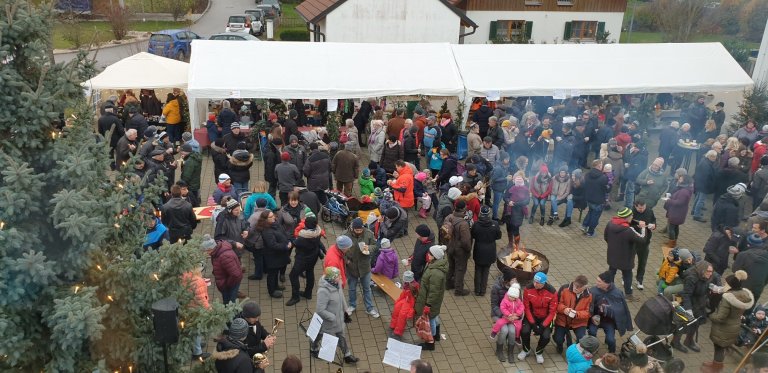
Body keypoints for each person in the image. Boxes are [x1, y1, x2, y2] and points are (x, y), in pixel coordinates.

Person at [704, 270, 754, 373]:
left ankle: (716, 368)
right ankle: (716, 363)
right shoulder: (743, 294)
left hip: (724, 328)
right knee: (723, 346)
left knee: (718, 347)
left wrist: (710, 315)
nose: (725, 284)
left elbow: (720, 317)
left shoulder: (728, 298)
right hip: (734, 325)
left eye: (726, 283)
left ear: (731, 285)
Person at [311, 267, 360, 364]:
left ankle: (347, 355)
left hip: (339, 319)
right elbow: (320, 310)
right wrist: (332, 317)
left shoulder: (337, 284)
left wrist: (346, 311)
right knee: (319, 334)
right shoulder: (323, 291)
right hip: (327, 322)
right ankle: (313, 348)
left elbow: (341, 297)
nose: (341, 277)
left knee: (341, 335)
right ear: (332, 278)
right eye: (338, 276)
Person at [672, 260, 719, 354]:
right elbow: (686, 294)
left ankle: (689, 341)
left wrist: (714, 287)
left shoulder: (708, 275)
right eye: (708, 271)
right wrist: (688, 310)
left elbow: (714, 278)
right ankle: (675, 342)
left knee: (696, 323)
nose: (710, 274)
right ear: (702, 271)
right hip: (689, 303)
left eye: (711, 271)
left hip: (700, 304)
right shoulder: (691, 278)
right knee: (682, 324)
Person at [518, 272, 557, 364]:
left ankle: (539, 352)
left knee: (546, 336)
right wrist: (532, 323)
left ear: (543, 283)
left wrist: (542, 326)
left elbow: (552, 312)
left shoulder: (552, 292)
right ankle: (526, 350)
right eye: (534, 281)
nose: (535, 284)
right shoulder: (528, 289)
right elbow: (526, 307)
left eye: (537, 283)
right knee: (524, 331)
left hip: (546, 317)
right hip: (531, 315)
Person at [589, 272, 633, 353]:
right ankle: (592, 348)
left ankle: (612, 353)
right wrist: (592, 316)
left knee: (611, 340)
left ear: (606, 283)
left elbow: (623, 309)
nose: (596, 283)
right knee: (591, 332)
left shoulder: (617, 293)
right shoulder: (593, 291)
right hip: (595, 318)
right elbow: (588, 306)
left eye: (599, 281)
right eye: (597, 280)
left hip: (608, 321)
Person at [415, 245, 448, 351]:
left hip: (430, 302)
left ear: (434, 257)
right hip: (434, 301)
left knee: (431, 320)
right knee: (435, 316)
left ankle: (430, 342)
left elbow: (433, 292)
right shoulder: (434, 265)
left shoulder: (436, 273)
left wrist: (428, 305)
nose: (427, 255)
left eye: (429, 254)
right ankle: (437, 335)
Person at [286, 216, 322, 306]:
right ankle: (308, 293)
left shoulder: (302, 238)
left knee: (293, 276)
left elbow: (293, 244)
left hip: (302, 260)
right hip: (313, 257)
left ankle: (295, 297)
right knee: (310, 272)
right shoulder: (318, 231)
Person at [256, 210, 292, 298]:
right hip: (272, 256)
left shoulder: (275, 224)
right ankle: (271, 291)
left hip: (278, 255)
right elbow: (272, 245)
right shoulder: (267, 231)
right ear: (265, 220)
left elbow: (283, 233)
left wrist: (288, 240)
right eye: (271, 217)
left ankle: (276, 286)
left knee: (276, 272)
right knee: (272, 274)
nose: (274, 218)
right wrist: (285, 246)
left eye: (273, 216)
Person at [554, 275, 593, 354]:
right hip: (563, 320)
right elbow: (557, 304)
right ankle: (559, 344)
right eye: (575, 285)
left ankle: (576, 351)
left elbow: (589, 312)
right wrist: (564, 309)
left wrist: (577, 314)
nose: (575, 288)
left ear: (585, 287)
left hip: (579, 322)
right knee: (558, 338)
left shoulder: (590, 295)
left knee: (581, 339)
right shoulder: (564, 288)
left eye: (579, 287)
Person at [471, 206, 501, 296]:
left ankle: (477, 290)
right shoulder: (495, 224)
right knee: (486, 270)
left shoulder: (476, 224)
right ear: (489, 213)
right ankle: (483, 291)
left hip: (479, 249)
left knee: (478, 269)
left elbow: (473, 235)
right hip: (490, 250)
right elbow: (498, 236)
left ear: (480, 213)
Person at [445, 201, 472, 296]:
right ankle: (458, 290)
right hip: (459, 250)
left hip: (450, 246)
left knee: (451, 266)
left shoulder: (449, 217)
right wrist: (468, 249)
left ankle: (448, 284)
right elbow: (465, 240)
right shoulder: (463, 223)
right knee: (460, 269)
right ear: (463, 209)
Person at [490, 269, 518, 362]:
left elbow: (520, 304)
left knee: (512, 331)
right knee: (505, 330)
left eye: (515, 279)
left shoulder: (516, 288)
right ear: (507, 280)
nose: (515, 282)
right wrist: (504, 314)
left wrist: (517, 315)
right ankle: (499, 350)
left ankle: (510, 352)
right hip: (499, 314)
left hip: (512, 316)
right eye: (513, 280)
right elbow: (494, 305)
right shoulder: (496, 287)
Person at [733, 238, 768, 307]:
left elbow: (735, 270)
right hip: (757, 288)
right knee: (748, 307)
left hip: (740, 285)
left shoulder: (743, 255)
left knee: (734, 304)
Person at [207, 237, 243, 304]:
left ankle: (233, 313)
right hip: (226, 282)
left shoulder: (225, 256)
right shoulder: (216, 252)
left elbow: (235, 274)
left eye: (205, 251)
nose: (205, 253)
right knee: (227, 300)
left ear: (210, 249)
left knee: (230, 302)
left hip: (230, 283)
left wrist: (226, 284)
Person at [582, 159, 609, 237]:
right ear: (599, 166)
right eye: (601, 165)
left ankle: (584, 226)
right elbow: (607, 189)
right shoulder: (603, 177)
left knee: (590, 212)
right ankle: (590, 232)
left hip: (589, 199)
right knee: (595, 216)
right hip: (598, 200)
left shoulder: (587, 174)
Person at [664, 174, 693, 243]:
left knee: (671, 228)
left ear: (684, 181)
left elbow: (679, 202)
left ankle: (671, 243)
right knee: (675, 227)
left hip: (677, 213)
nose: (679, 180)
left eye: (681, 179)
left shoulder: (684, 191)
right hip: (679, 212)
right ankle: (674, 241)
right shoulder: (685, 188)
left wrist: (668, 200)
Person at [390, 271, 419, 340]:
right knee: (396, 309)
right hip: (405, 300)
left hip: (410, 303)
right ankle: (393, 325)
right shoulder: (408, 285)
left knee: (402, 315)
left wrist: (410, 311)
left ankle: (398, 332)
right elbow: (404, 294)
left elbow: (413, 301)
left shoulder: (414, 288)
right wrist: (398, 301)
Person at [504, 176, 530, 248]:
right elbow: (505, 197)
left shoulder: (525, 190)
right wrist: (509, 201)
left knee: (515, 229)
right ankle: (510, 243)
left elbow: (527, 201)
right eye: (517, 183)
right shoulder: (511, 188)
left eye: (520, 183)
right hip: (509, 211)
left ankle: (516, 245)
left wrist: (515, 204)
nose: (518, 184)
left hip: (519, 212)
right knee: (509, 227)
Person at [692, 150, 718, 222]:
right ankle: (696, 215)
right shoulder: (707, 165)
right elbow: (707, 177)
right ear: (710, 156)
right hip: (704, 185)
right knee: (701, 200)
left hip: (700, 184)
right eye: (714, 157)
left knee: (698, 198)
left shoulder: (704, 161)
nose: (715, 158)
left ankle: (694, 210)